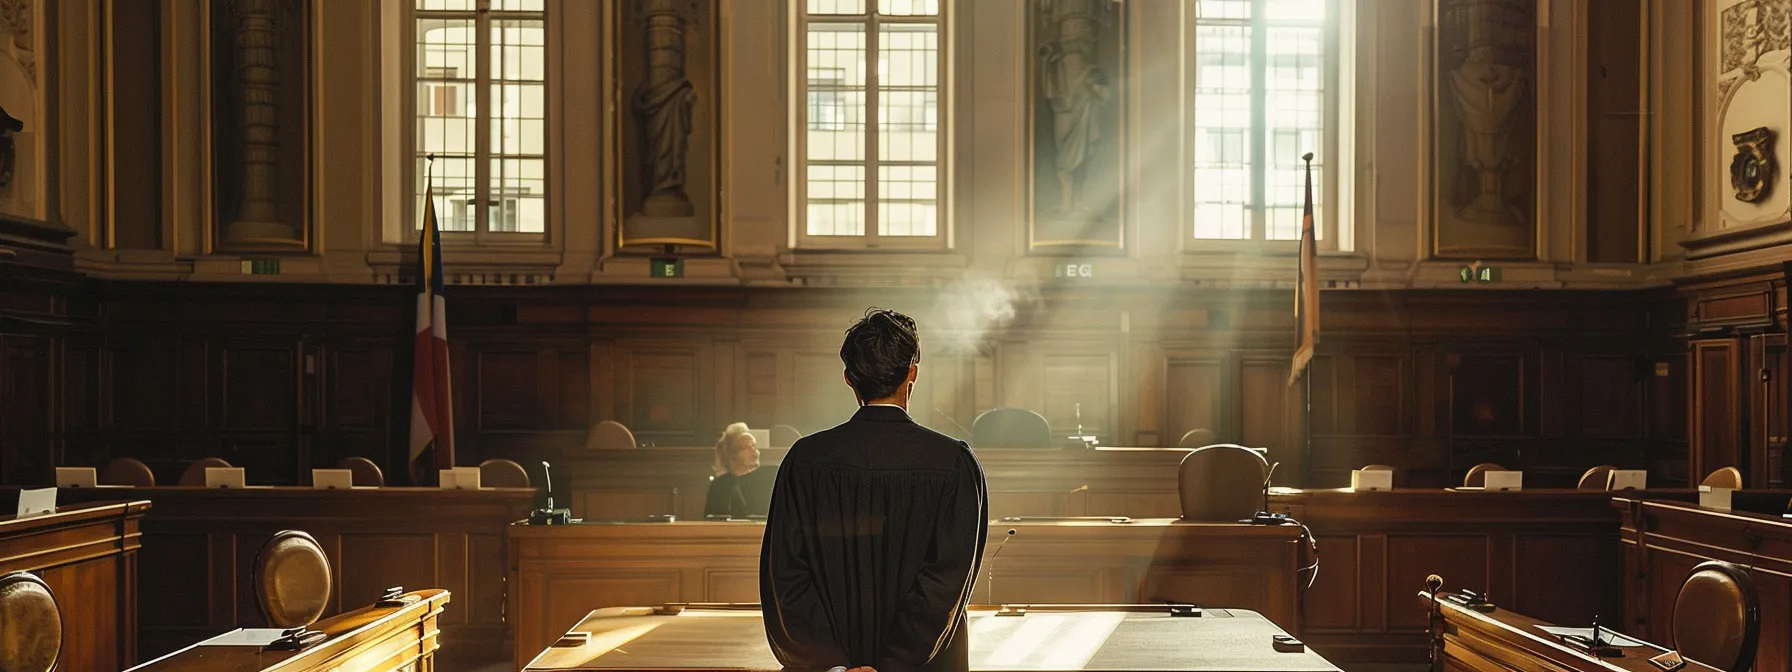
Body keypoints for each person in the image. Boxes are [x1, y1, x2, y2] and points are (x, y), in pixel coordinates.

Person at [760, 308, 988, 672]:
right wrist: (894, 665)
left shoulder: (804, 460)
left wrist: (832, 664)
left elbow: (785, 577)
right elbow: (946, 582)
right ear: (912, 374)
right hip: (924, 666)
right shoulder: (953, 462)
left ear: (849, 378)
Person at [705, 422, 776, 518]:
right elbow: (710, 520)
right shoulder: (718, 485)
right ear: (733, 454)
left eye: (754, 446)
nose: (754, 450)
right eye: (746, 447)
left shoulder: (769, 479)